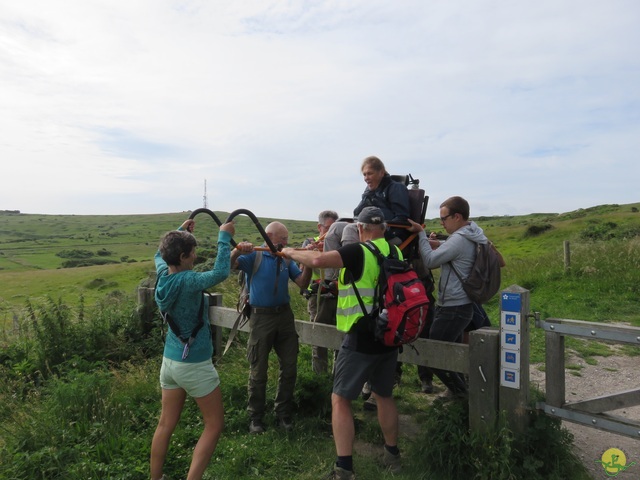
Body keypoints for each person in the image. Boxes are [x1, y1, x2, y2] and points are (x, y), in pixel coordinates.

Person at [282, 207, 403, 479]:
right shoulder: (395, 252)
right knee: (384, 395)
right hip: (389, 334)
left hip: (360, 336)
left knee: (340, 399)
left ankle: (344, 468)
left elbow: (319, 260)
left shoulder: (359, 251)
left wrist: (290, 252)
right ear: (382, 228)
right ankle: (392, 455)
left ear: (360, 229)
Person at [150, 218, 249, 480]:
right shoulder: (187, 280)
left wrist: (181, 232)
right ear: (182, 257)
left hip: (170, 362)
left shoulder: (163, 275)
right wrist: (223, 238)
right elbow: (219, 274)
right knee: (214, 425)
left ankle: (155, 478)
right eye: (192, 252)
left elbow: (157, 254)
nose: (195, 255)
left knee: (165, 424)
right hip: (194, 364)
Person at [231, 221, 312, 434]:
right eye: (282, 238)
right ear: (268, 236)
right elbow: (229, 266)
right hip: (261, 318)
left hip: (284, 316)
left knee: (290, 367)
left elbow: (302, 283)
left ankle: (283, 412)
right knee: (258, 370)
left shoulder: (285, 258)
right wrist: (236, 250)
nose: (286, 242)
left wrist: (309, 262)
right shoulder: (254, 256)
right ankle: (255, 417)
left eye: (286, 238)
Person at [407, 196, 491, 398]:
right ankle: (460, 394)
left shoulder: (460, 239)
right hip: (462, 304)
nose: (442, 223)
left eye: (444, 218)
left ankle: (463, 396)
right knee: (450, 353)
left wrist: (420, 234)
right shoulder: (473, 233)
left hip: (454, 306)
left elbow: (429, 260)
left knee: (435, 354)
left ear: (457, 217)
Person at [302, 210, 339, 374]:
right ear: (319, 227)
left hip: (340, 297)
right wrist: (311, 254)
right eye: (329, 228)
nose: (331, 233)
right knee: (319, 340)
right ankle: (319, 381)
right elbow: (301, 273)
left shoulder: (340, 244)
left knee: (342, 340)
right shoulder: (310, 243)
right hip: (319, 298)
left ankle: (339, 379)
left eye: (335, 230)